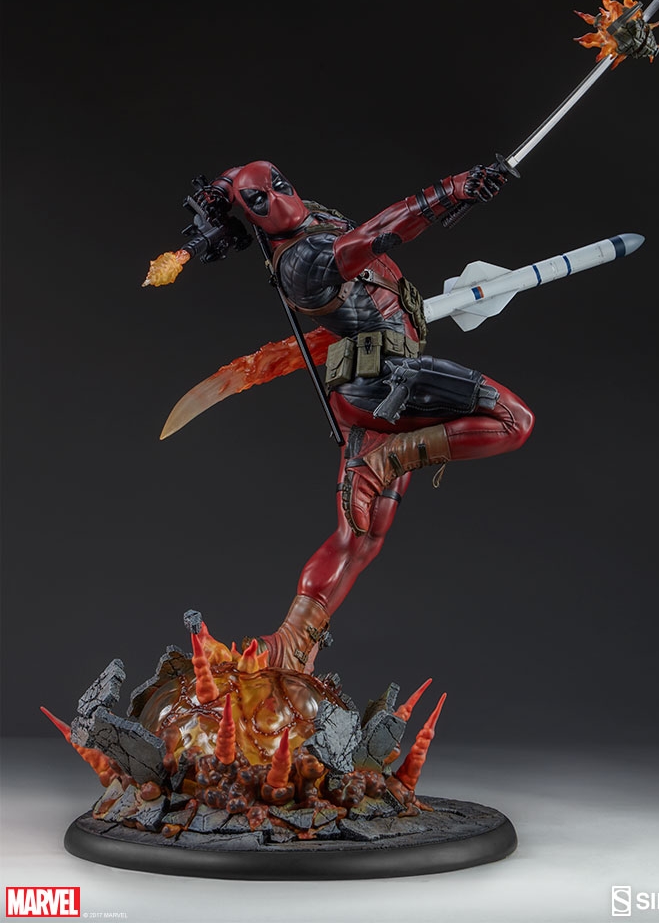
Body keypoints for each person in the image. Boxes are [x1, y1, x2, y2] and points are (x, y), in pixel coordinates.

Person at [159, 160, 535, 670]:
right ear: (252, 215)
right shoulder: (303, 262)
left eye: (279, 184)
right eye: (261, 200)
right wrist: (453, 189)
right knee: (514, 421)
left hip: (366, 392)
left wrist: (221, 192)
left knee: (360, 540)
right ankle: (388, 458)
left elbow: (241, 174)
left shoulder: (303, 218)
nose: (280, 198)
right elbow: (379, 233)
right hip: (387, 381)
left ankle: (289, 644)